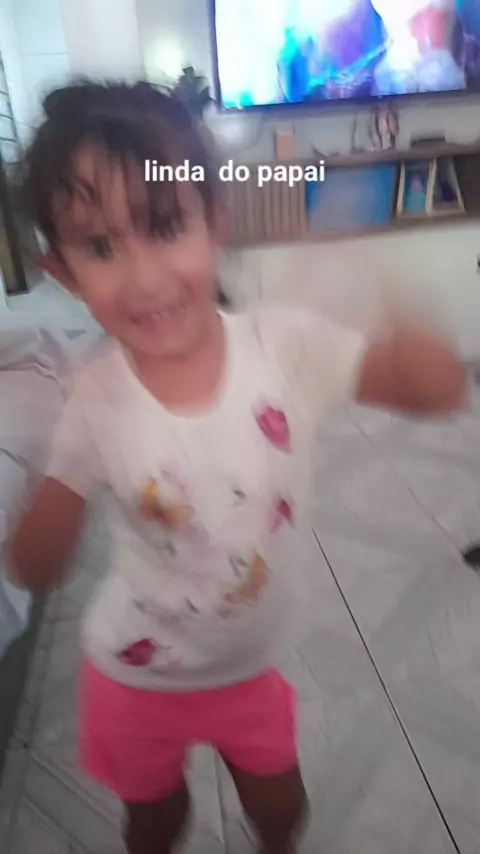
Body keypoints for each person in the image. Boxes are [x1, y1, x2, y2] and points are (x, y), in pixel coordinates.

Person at [8, 80, 465, 854]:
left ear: (215, 220)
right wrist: (53, 484)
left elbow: (437, 389)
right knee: (155, 822)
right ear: (65, 273)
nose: (144, 277)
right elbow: (32, 565)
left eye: (164, 226)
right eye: (101, 248)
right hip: (135, 673)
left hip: (247, 670)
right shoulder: (95, 396)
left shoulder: (283, 346)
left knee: (281, 812)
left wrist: (383, 280)